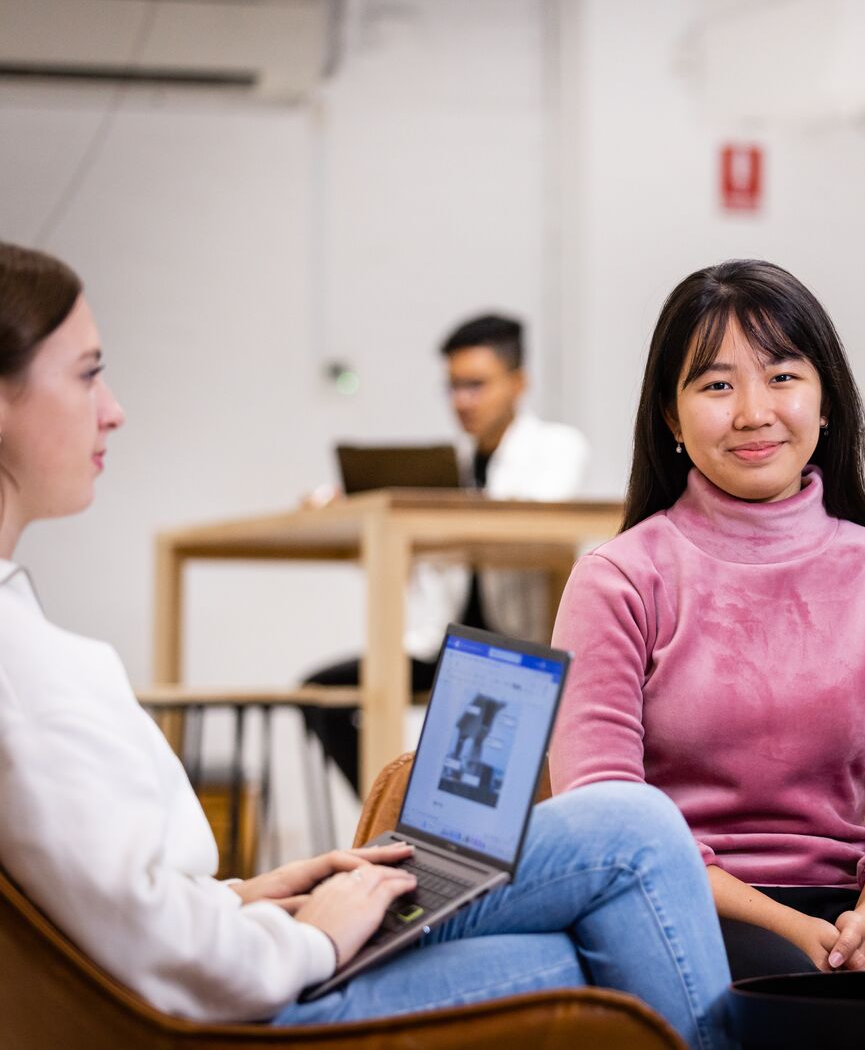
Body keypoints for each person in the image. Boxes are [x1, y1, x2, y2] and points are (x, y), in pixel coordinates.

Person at [0, 242, 730, 1047]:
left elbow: (123, 902)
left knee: (577, 897)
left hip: (231, 951)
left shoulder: (21, 638)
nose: (113, 408)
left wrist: (259, 892)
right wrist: (314, 933)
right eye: (87, 372)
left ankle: (398, 871)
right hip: (246, 1005)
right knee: (634, 837)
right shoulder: (20, 665)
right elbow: (159, 947)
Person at [547, 259, 865, 979]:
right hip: (675, 904)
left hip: (856, 904)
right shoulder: (618, 578)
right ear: (672, 416)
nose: (752, 411)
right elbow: (607, 814)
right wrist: (794, 926)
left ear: (826, 399)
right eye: (716, 384)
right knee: (801, 999)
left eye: (782, 376)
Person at [305, 313, 589, 790]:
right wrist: (354, 514)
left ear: (519, 383)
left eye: (476, 385)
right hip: (449, 640)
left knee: (476, 778)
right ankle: (387, 811)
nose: (462, 401)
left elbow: (529, 525)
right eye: (453, 387)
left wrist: (426, 504)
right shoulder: (454, 468)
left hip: (517, 642)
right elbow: (412, 565)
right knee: (322, 692)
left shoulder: (556, 448)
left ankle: (423, 821)